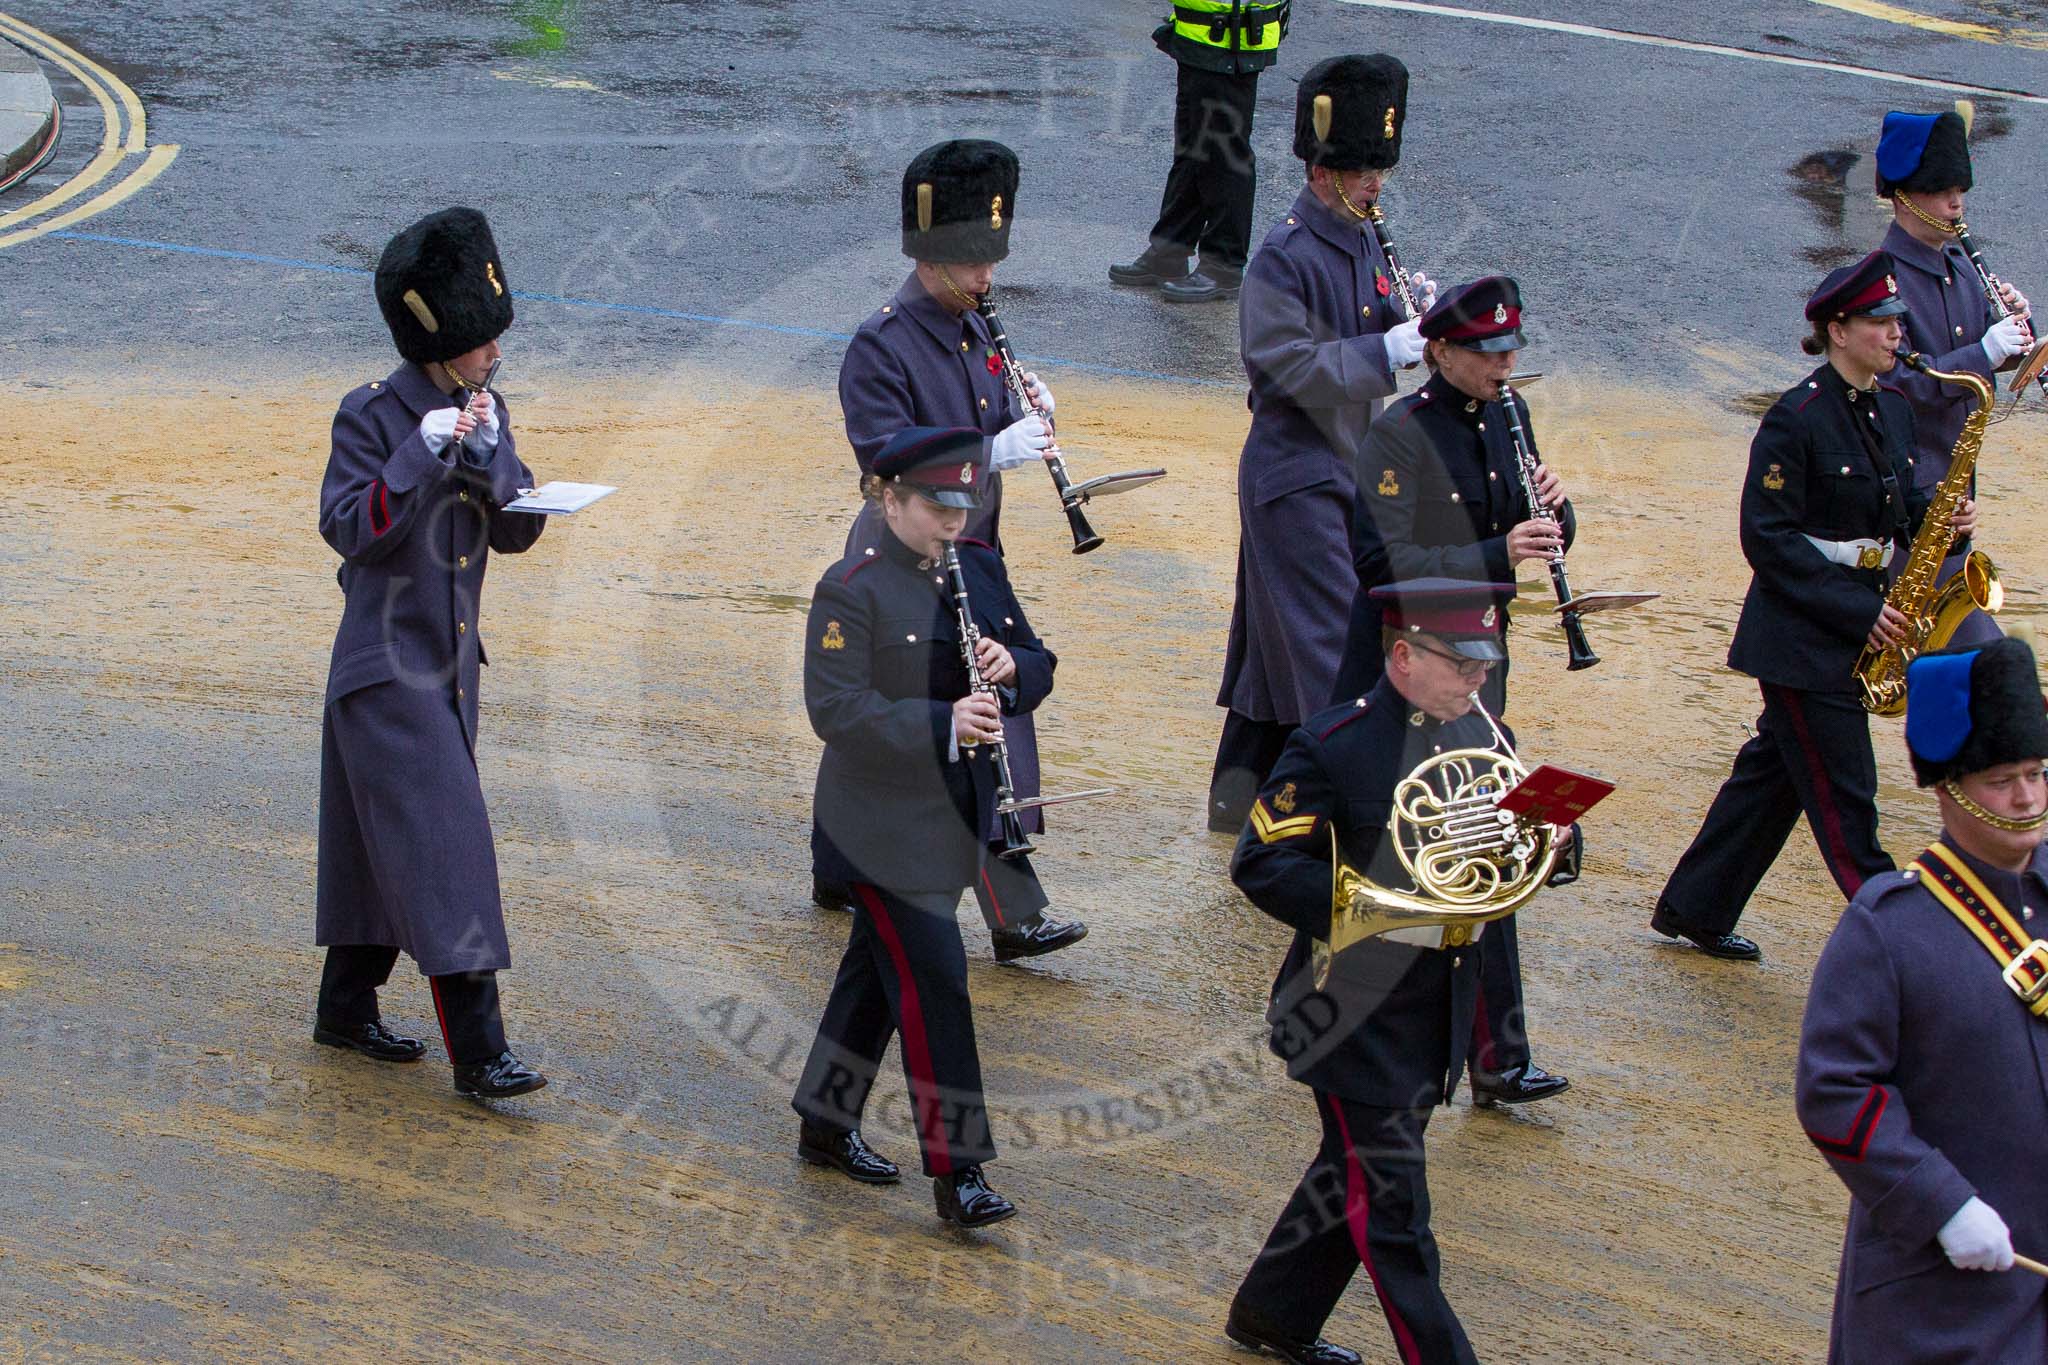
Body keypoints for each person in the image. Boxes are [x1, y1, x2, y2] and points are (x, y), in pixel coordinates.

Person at [1226, 579, 1533, 1365]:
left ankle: (1273, 1312)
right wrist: (1372, 907)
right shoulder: (1333, 745)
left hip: (1435, 1005)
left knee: (1352, 1170)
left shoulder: (1482, 735)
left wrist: (1548, 849)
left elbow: (1508, 850)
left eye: (1482, 665)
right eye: (1460, 664)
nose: (1476, 680)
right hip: (1349, 1013)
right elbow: (1259, 863)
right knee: (1393, 1215)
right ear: (1402, 655)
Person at [1652, 250, 1973, 961]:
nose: (1897, 333)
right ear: (1838, 329)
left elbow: (1895, 504)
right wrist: (1858, 613)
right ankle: (1905, 946)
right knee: (1846, 794)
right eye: (1881, 321)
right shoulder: (1795, 418)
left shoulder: (1890, 407)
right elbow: (1766, 538)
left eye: (1897, 320)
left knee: (1775, 776)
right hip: (1801, 638)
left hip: (1859, 620)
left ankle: (1694, 905)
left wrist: (1939, 519)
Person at [822, 138, 1087, 962]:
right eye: (971, 259)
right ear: (929, 252)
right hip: (904, 551)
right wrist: (991, 447)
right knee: (962, 721)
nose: (986, 277)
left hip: (973, 550)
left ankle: (838, 863)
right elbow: (882, 453)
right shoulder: (882, 342)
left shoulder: (980, 331)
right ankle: (1016, 912)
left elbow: (990, 413)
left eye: (991, 259)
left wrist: (1027, 405)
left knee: (940, 710)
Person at [791, 426, 1053, 1229]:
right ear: (889, 497)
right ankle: (961, 1170)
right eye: (936, 507)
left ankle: (826, 1120)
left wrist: (1012, 674)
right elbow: (834, 711)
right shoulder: (851, 588)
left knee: (874, 973)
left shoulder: (977, 566)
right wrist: (945, 720)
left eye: (960, 506)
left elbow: (1039, 662)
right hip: (877, 827)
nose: (952, 521)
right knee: (937, 978)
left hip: (956, 818)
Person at [313, 206, 548, 1100]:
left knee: (382, 847)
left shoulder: (483, 407)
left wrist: (493, 462)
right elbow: (348, 530)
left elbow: (516, 532)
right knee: (450, 850)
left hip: (446, 673)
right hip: (385, 671)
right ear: (438, 343)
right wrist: (415, 458)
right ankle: (481, 1052)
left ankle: (345, 1004)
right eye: (481, 341)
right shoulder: (373, 416)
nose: (495, 354)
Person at [1338, 276, 1575, 1106]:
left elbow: (1541, 527)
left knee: (1490, 834)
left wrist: (1557, 516)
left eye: (1511, 350)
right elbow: (1382, 566)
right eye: (1488, 352)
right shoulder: (1398, 437)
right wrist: (1495, 547)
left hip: (1481, 655)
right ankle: (1412, 1033)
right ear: (1439, 351)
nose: (1505, 364)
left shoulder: (1509, 415)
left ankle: (1498, 1055)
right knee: (1425, 841)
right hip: (1407, 662)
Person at [1797, 636, 2048, 1363]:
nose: (2027, 797)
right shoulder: (1888, 926)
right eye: (2002, 779)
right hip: (1944, 1293)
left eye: (2036, 772)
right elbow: (1835, 1091)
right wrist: (1942, 1203)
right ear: (1949, 786)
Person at [1211, 53, 1437, 833]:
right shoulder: (1285, 253)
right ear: (1320, 168)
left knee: (1277, 655)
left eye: (1378, 166)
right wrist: (1391, 351)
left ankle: (1238, 797)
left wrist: (1419, 319)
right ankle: (1340, 816)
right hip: (1295, 473)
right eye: (1358, 168)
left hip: (1349, 463)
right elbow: (1283, 370)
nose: (1374, 181)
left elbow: (1370, 319)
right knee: (1331, 649)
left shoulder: (1366, 235)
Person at [1874, 104, 2034, 646]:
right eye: (1942, 189)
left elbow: (1988, 355)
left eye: (1959, 188)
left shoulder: (1961, 265)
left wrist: (2016, 333)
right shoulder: (1884, 282)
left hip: (1953, 495)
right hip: (1906, 503)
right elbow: (1898, 384)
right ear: (1904, 194)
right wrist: (1984, 353)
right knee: (1968, 665)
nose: (1956, 201)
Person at [1107, 0, 1289, 303]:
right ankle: (1169, 252)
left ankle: (1223, 267)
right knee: (1193, 150)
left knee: (1224, 156)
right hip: (1204, 31)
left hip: (1231, 33)